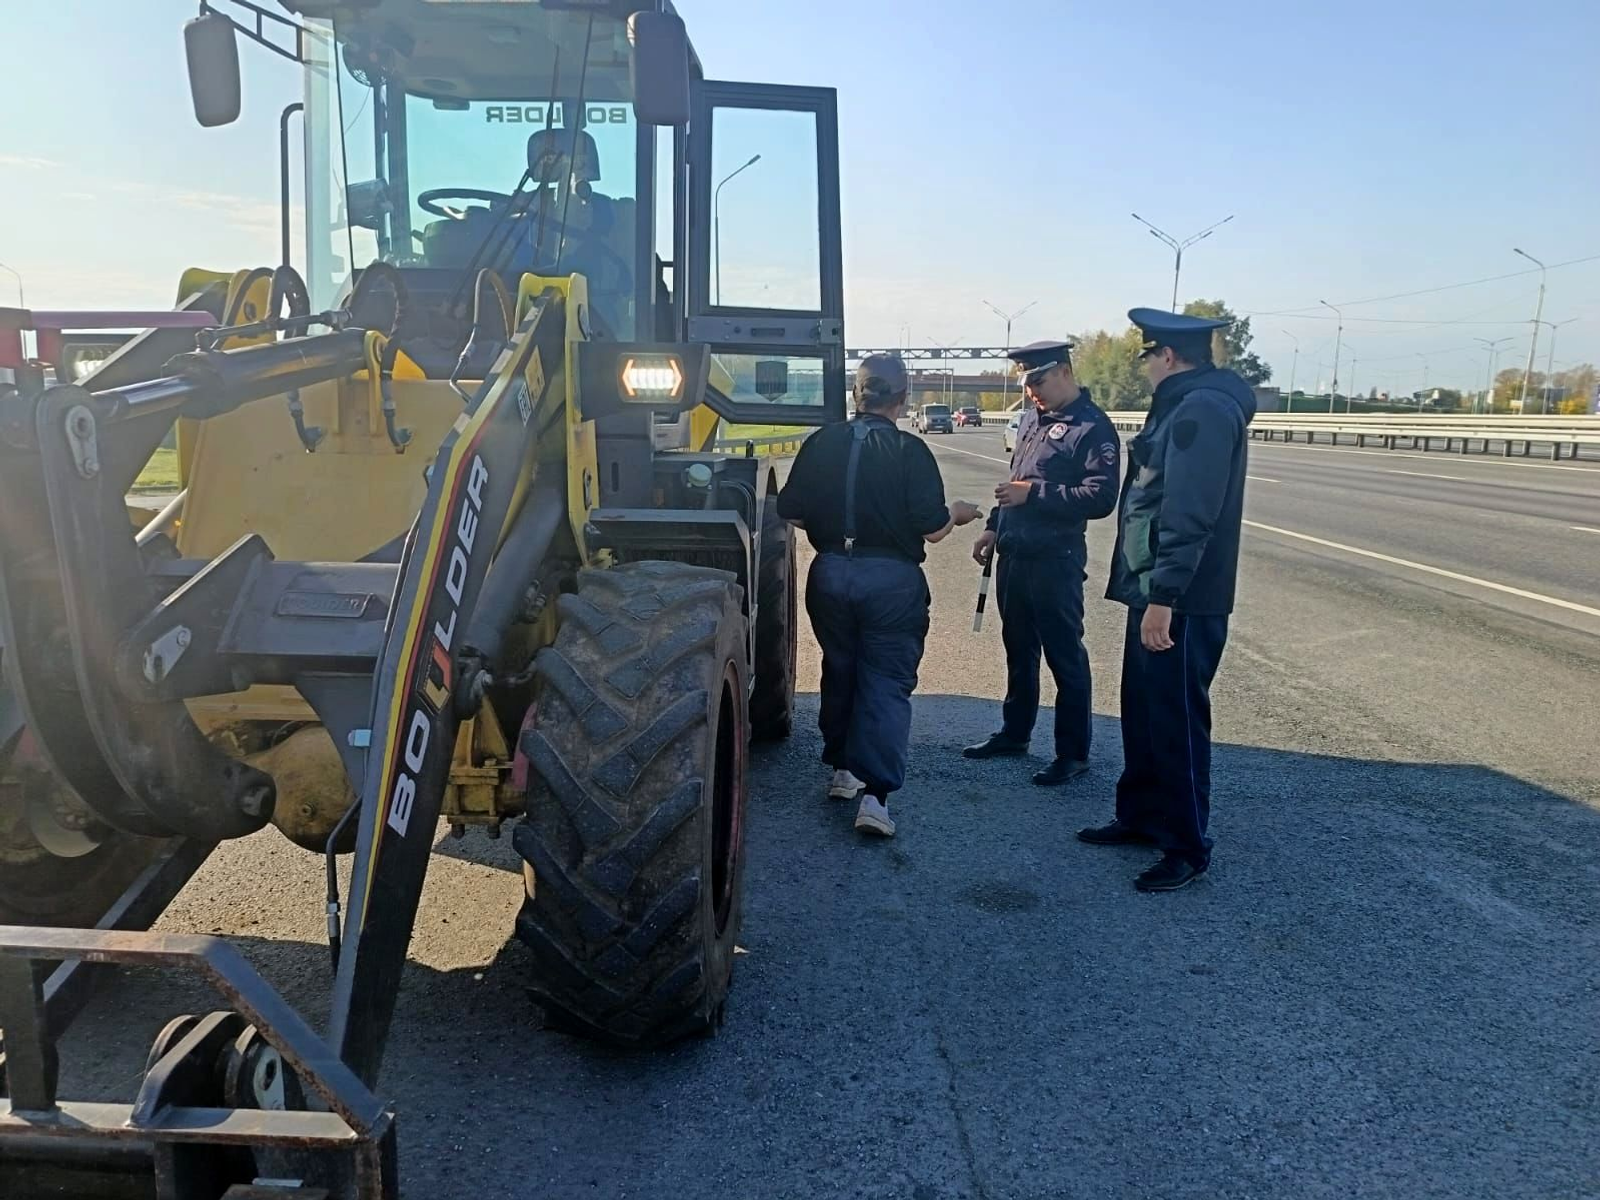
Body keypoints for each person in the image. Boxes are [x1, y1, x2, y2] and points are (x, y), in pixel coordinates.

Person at [1079, 308, 1257, 892]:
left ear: (1170, 357)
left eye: (1147, 356)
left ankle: (1185, 844)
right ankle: (1140, 816)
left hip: (1181, 598)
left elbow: (1189, 510)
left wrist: (1166, 597)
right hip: (1156, 589)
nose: (1146, 367)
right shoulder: (1185, 402)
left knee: (1177, 719)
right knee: (1145, 708)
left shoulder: (1202, 408)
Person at [777, 354, 983, 838]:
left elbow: (794, 513)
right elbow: (932, 531)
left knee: (841, 667)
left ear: (857, 394)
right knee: (886, 682)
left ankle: (843, 770)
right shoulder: (910, 451)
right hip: (891, 581)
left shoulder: (820, 444)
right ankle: (876, 797)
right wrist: (957, 513)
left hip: (830, 575)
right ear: (902, 399)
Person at [963, 340, 1121, 785]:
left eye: (1039, 380)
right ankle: (1015, 734)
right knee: (1019, 650)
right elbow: (1017, 479)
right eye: (1027, 382)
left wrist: (1036, 495)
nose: (1032, 391)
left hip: (1056, 559)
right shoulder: (1033, 419)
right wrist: (995, 526)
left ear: (1065, 372)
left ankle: (1073, 753)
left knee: (1065, 657)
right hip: (1015, 553)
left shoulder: (1091, 427)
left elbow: (1102, 497)